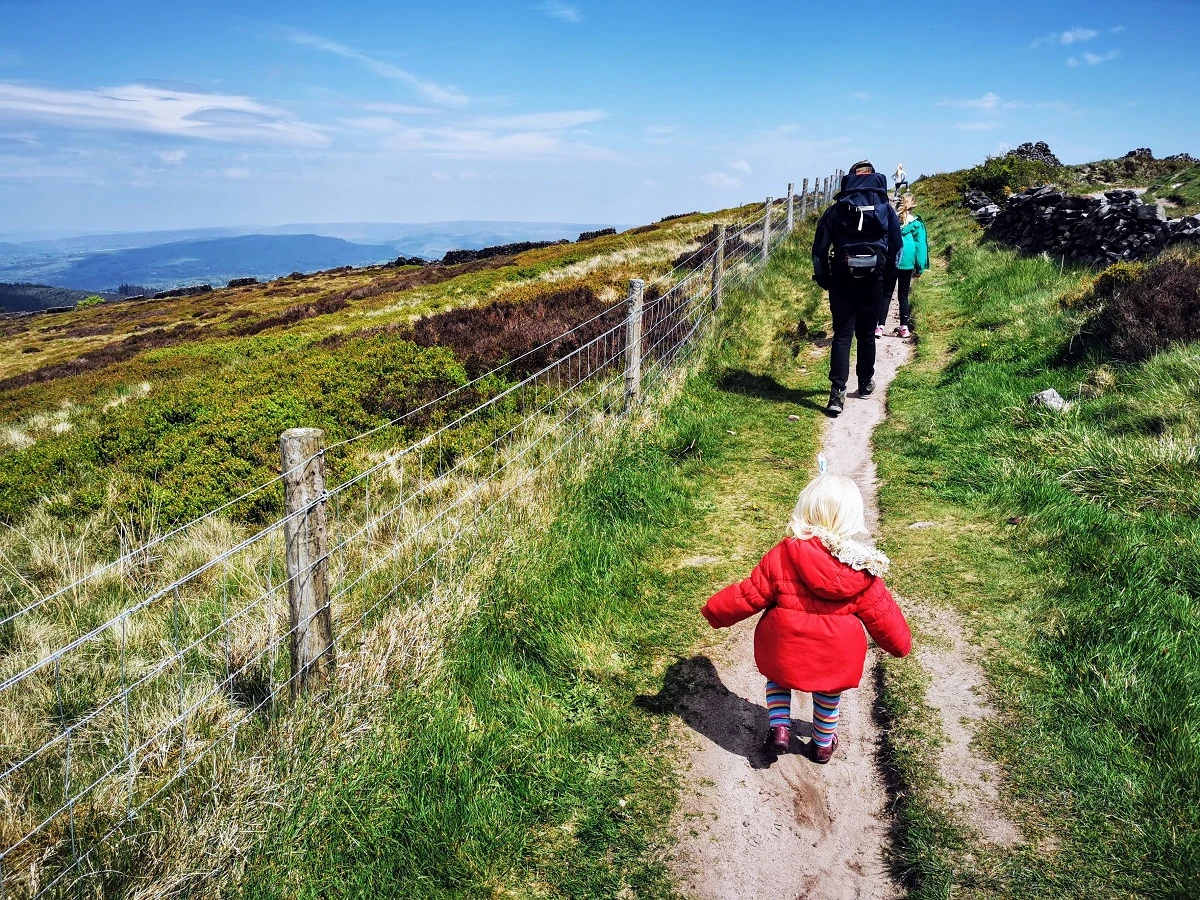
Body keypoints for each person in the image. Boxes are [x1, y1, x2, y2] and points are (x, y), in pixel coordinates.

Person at [700, 472, 911, 763]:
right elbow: (882, 614)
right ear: (852, 520)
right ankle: (823, 744)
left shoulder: (783, 555)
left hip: (784, 645)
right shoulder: (863, 569)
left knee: (777, 679)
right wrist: (901, 645)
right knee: (828, 695)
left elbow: (749, 594)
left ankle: (780, 729)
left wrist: (715, 611)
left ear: (805, 511)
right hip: (835, 656)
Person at [811, 160, 902, 415]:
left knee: (842, 335)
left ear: (849, 181)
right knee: (866, 334)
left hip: (842, 280)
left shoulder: (835, 211)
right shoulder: (886, 208)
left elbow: (818, 252)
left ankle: (837, 395)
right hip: (875, 280)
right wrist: (887, 279)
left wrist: (824, 279)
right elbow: (897, 248)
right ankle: (864, 384)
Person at [876, 194, 929, 339]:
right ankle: (904, 327)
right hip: (908, 261)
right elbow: (920, 246)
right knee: (903, 295)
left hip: (892, 259)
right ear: (913, 206)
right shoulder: (916, 223)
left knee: (886, 294)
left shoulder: (891, 221)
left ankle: (879, 327)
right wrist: (920, 267)